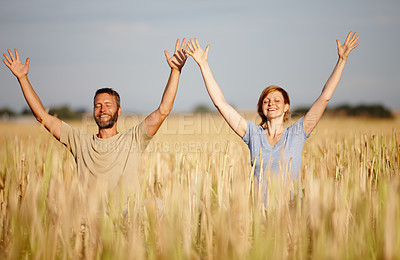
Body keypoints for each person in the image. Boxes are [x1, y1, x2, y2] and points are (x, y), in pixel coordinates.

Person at [186, 32, 360, 202]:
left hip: (291, 213)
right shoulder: (253, 135)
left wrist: (342, 61)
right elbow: (220, 103)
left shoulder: (298, 133)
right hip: (260, 216)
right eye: (266, 101)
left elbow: (324, 97)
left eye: (277, 100)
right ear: (261, 108)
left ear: (286, 107)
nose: (271, 103)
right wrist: (203, 65)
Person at [3, 38, 189, 194]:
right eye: (98, 105)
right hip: (89, 226)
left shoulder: (133, 139)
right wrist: (22, 78)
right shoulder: (79, 141)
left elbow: (163, 110)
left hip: (126, 225)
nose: (102, 109)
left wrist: (175, 71)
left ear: (119, 111)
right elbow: (43, 116)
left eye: (108, 105)